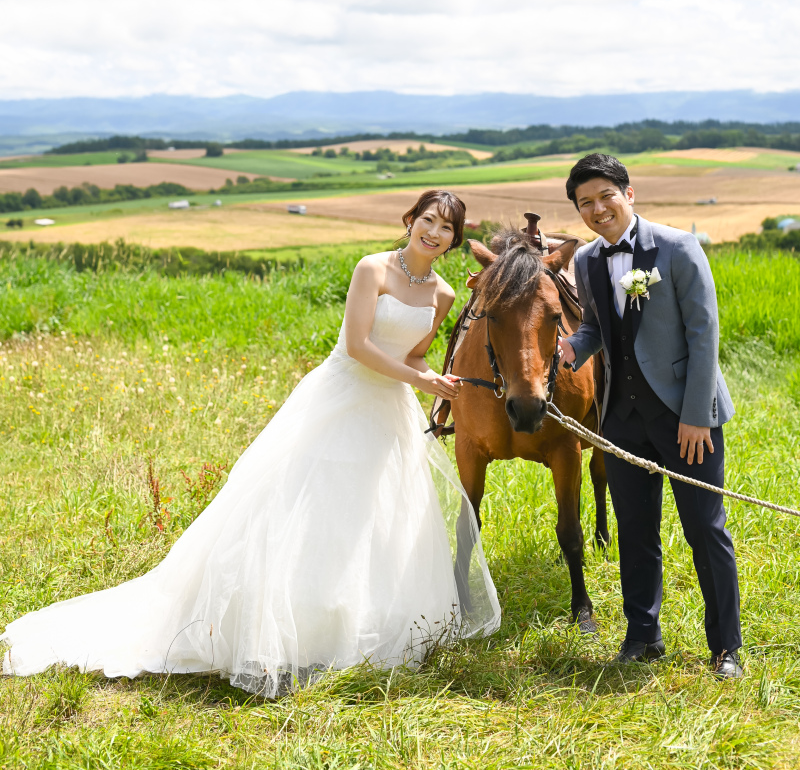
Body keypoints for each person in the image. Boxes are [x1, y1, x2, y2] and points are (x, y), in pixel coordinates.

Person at [2, 189, 500, 695]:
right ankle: (285, 623)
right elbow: (358, 345)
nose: (434, 232)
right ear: (411, 219)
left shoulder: (441, 294)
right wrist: (418, 380)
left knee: (377, 513)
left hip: (390, 407)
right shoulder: (371, 269)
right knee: (311, 503)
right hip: (341, 395)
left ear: (454, 241)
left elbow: (413, 355)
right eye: (429, 220)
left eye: (446, 228)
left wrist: (436, 379)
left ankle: (357, 621)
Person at [558, 153, 743, 679]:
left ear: (629, 193)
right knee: (634, 529)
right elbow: (596, 325)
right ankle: (642, 635)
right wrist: (573, 347)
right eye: (585, 203)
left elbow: (704, 336)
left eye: (605, 197)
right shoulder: (588, 261)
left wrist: (696, 415)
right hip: (619, 419)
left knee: (705, 528)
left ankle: (726, 647)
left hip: (686, 417)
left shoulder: (679, 247)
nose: (597, 209)